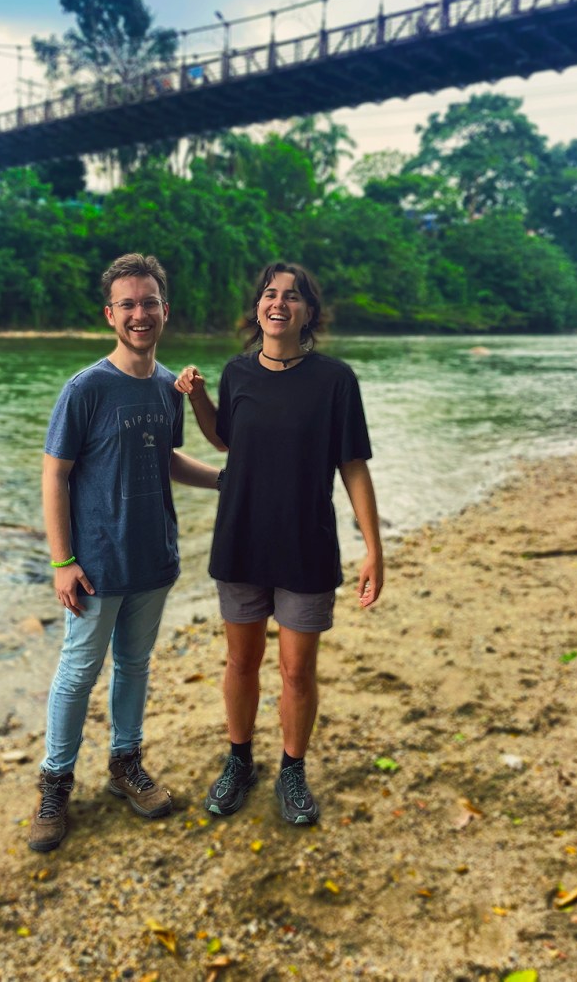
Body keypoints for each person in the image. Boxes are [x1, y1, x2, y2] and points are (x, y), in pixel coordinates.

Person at [175, 261, 383, 826]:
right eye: (271, 294)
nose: (279, 303)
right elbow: (227, 441)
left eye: (293, 297)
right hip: (241, 536)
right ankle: (239, 760)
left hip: (306, 544)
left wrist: (373, 548)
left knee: (297, 671)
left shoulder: (335, 379)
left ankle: (292, 768)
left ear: (309, 313)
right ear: (258, 307)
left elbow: (353, 465)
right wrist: (197, 399)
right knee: (242, 660)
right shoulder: (236, 372)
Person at [29, 253, 222, 853]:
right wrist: (62, 561)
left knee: (135, 666)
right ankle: (55, 782)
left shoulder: (170, 388)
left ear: (166, 310)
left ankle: (124, 765)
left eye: (150, 303)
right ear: (110, 314)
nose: (140, 314)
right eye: (128, 305)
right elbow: (54, 476)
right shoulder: (85, 389)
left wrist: (224, 481)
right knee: (77, 674)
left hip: (153, 557)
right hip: (96, 565)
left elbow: (163, 458)